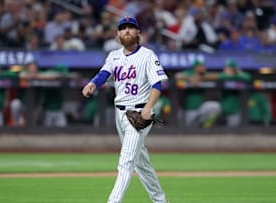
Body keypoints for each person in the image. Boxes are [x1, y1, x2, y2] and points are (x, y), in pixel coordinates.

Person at [82, 16, 168, 203]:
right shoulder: (114, 56)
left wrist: (148, 108)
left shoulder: (147, 55)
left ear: (138, 32)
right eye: (123, 28)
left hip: (139, 114)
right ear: (118, 34)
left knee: (126, 162)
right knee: (141, 163)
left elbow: (157, 85)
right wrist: (92, 84)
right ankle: (161, 201)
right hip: (119, 113)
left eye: (131, 27)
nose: (127, 30)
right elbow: (103, 74)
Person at [175, 59, 221, 128]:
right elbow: (177, 76)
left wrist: (201, 78)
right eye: (201, 66)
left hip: (201, 108)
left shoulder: (204, 74)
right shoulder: (189, 73)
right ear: (196, 67)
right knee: (188, 128)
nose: (204, 67)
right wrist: (190, 78)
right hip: (188, 111)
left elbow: (217, 76)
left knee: (215, 107)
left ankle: (206, 127)